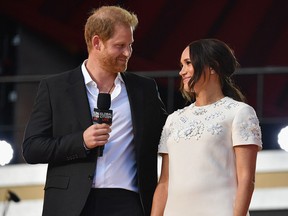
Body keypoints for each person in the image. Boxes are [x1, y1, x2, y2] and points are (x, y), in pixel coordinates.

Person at [22, 5, 167, 216]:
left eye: (130, 45)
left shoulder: (144, 89)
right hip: (71, 204)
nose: (128, 53)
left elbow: (168, 133)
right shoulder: (55, 88)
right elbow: (32, 148)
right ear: (97, 42)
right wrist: (81, 141)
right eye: (120, 46)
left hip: (130, 202)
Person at [151, 38, 262, 216]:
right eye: (181, 65)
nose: (181, 72)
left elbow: (246, 179)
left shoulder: (239, 112)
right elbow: (164, 182)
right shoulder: (173, 119)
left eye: (188, 63)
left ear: (212, 67)